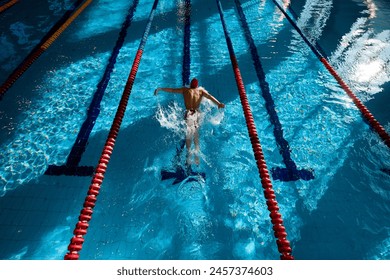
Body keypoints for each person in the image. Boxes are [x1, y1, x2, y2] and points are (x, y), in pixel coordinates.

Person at [154, 78, 225, 165]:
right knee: (196, 132)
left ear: (190, 85)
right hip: (197, 113)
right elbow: (210, 97)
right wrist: (219, 104)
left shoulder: (185, 89)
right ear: (197, 86)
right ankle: (197, 153)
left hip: (189, 114)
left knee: (189, 133)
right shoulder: (201, 91)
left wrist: (160, 89)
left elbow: (172, 90)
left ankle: (188, 155)